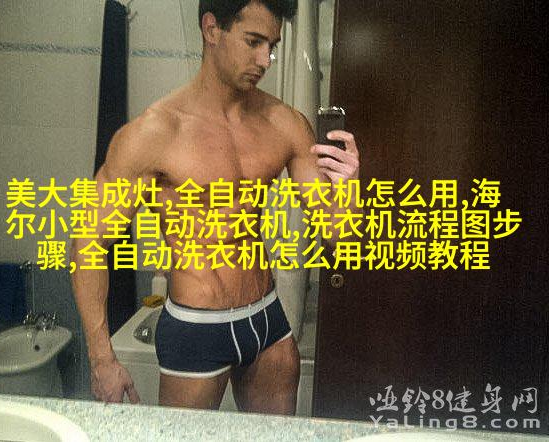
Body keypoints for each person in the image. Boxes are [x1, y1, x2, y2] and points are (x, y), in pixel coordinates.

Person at [71, 0, 360, 415]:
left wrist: (348, 187)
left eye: (272, 46)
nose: (265, 60)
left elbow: (338, 238)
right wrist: (102, 360)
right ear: (211, 29)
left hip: (267, 320)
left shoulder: (285, 123)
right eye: (253, 42)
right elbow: (89, 243)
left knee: (275, 441)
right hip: (196, 328)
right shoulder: (154, 133)